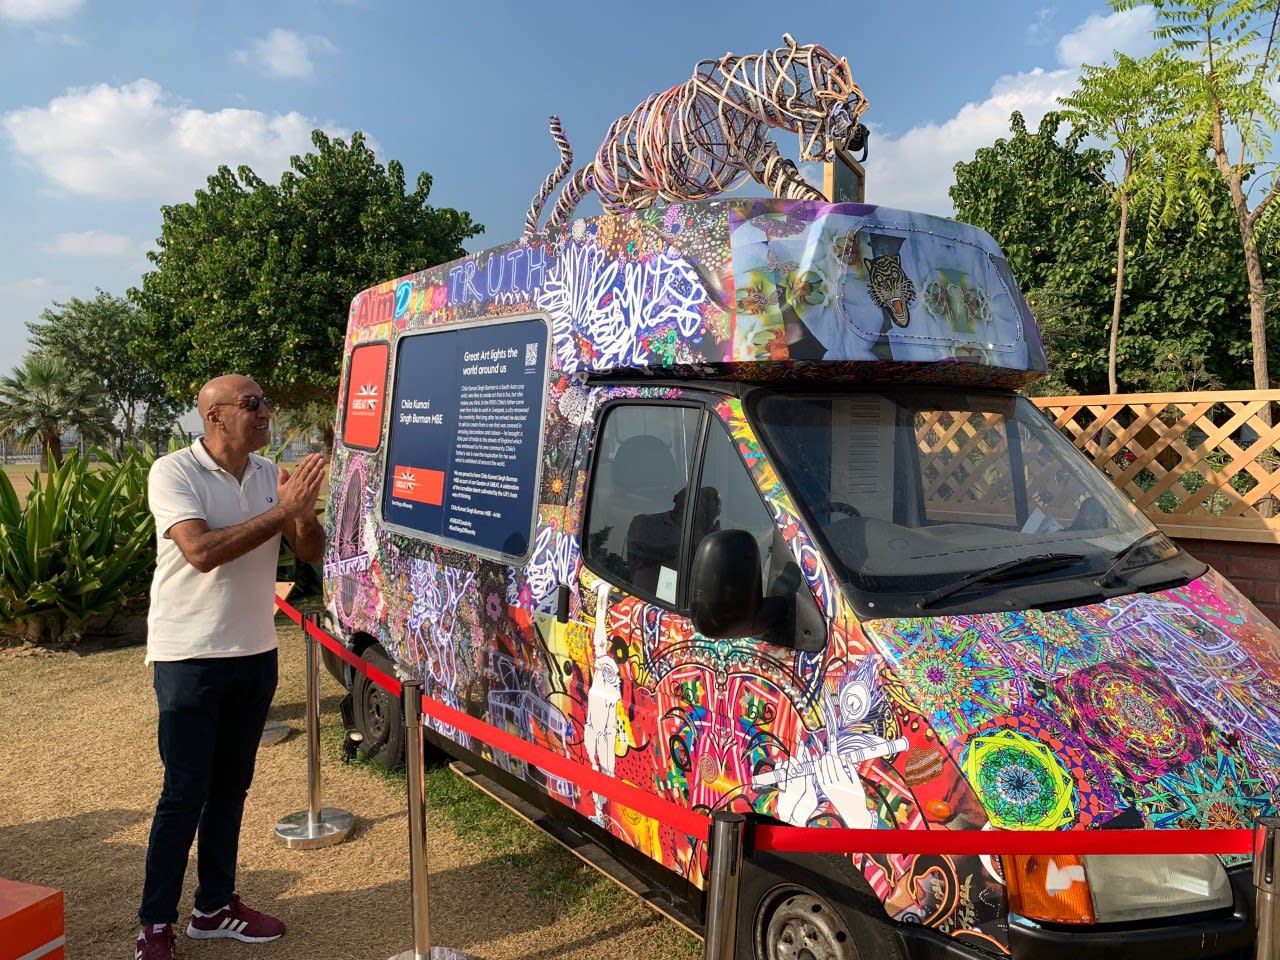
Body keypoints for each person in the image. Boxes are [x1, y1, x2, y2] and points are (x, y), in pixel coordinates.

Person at [135, 375, 326, 960]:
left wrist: (302, 515)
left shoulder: (271, 476)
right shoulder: (174, 472)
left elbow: (310, 553)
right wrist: (281, 513)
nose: (267, 411)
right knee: (184, 791)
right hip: (188, 655)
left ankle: (214, 907)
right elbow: (201, 553)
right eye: (253, 404)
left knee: (231, 790)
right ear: (214, 416)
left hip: (254, 651)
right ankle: (155, 925)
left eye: (265, 401)